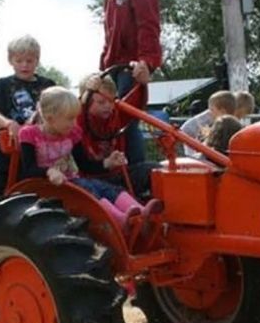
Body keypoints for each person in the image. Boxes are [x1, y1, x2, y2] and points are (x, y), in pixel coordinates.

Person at [16, 87, 161, 229]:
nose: (74, 123)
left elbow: (85, 165)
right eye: (70, 119)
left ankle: (141, 212)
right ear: (50, 118)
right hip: (44, 184)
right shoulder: (29, 135)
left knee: (104, 187)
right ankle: (118, 219)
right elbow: (28, 169)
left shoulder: (72, 133)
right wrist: (49, 172)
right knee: (88, 189)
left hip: (70, 181)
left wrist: (108, 162)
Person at [84, 0, 163, 170]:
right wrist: (101, 71)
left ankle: (137, 174)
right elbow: (110, 35)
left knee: (126, 123)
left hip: (130, 68)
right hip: (113, 70)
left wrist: (147, 61)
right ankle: (111, 171)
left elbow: (147, 23)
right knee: (106, 121)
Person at [0, 35, 60, 219]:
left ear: (37, 60)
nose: (24, 65)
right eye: (19, 60)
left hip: (41, 152)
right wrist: (9, 123)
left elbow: (60, 111)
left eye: (29, 60)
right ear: (11, 60)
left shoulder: (48, 86)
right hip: (7, 151)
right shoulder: (4, 85)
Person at [77, 73, 155, 198]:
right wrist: (107, 163)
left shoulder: (116, 116)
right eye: (101, 102)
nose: (108, 106)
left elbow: (136, 103)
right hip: (92, 182)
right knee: (106, 191)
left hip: (118, 177)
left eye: (111, 100)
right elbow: (78, 111)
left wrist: (142, 83)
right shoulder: (79, 121)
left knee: (156, 171)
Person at [178, 90, 238, 159]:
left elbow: (211, 146)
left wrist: (208, 136)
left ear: (222, 112)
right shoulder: (235, 126)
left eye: (212, 110)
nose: (209, 113)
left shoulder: (222, 126)